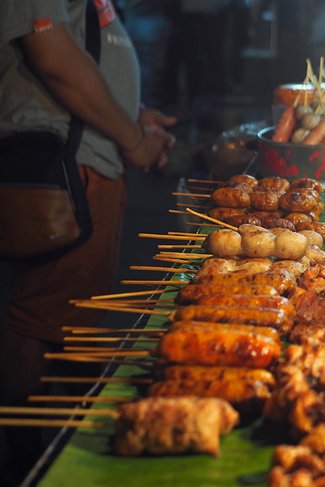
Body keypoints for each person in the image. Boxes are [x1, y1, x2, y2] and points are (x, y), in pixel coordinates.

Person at [0, 0, 175, 484]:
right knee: (36, 319)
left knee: (72, 316)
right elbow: (52, 55)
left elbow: (82, 51)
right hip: (62, 169)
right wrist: (133, 138)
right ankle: (27, 461)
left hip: (89, 160)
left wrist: (133, 113)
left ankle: (57, 442)